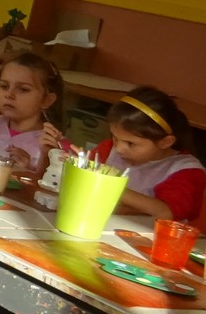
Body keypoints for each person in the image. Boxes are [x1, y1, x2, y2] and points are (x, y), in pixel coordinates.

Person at [46, 87, 204, 222]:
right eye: (115, 138)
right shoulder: (108, 149)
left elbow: (166, 213)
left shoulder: (186, 171)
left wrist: (104, 183)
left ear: (165, 142)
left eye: (130, 143)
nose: (119, 149)